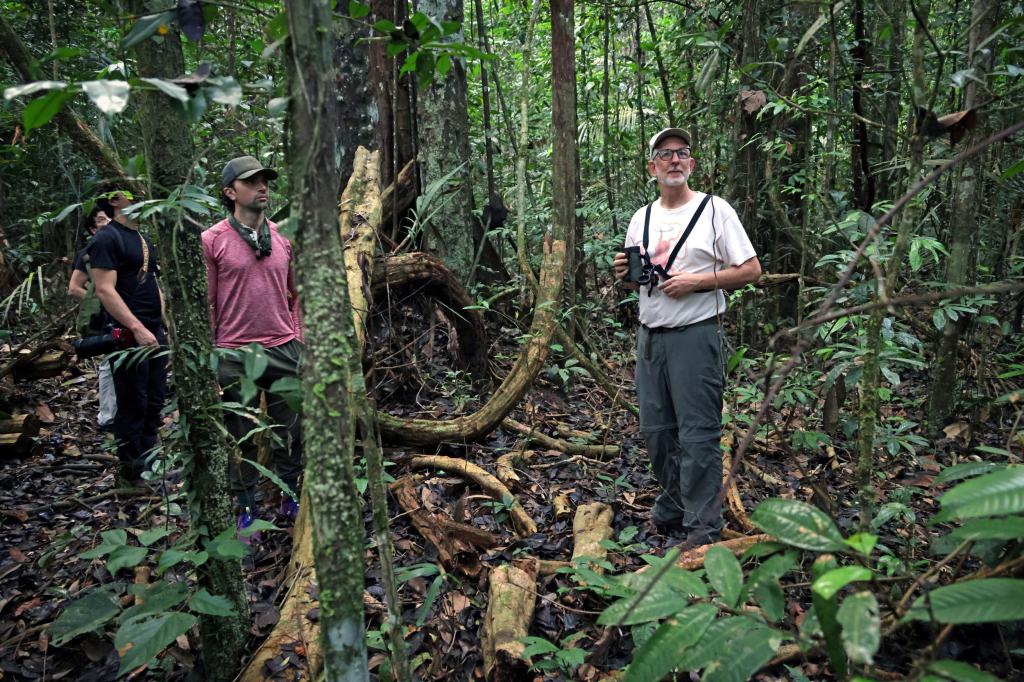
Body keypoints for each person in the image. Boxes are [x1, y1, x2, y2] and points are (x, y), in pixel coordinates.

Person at [613, 128, 762, 546]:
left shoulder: (716, 211)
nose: (674, 160)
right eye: (665, 154)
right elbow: (637, 283)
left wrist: (698, 282)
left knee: (697, 433)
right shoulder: (640, 218)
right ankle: (673, 504)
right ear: (652, 167)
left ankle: (703, 527)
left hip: (696, 336)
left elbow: (751, 270)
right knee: (656, 429)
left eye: (682, 154)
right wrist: (625, 275)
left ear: (692, 164)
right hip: (650, 336)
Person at [202, 156, 303, 534]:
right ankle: (246, 507)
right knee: (238, 436)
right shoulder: (213, 240)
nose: (263, 187)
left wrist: (299, 339)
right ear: (230, 193)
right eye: (251, 181)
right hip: (234, 352)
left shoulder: (281, 237)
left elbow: (296, 294)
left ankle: (289, 496)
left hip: (283, 349)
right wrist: (212, 356)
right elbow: (208, 303)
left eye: (265, 180)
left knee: (290, 431)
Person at [88, 189, 168, 484]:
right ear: (113, 200)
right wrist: (136, 328)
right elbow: (105, 289)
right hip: (128, 334)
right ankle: (131, 474)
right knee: (132, 402)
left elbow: (152, 283)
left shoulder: (143, 240)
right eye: (130, 192)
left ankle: (149, 464)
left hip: (153, 331)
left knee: (154, 400)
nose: (140, 196)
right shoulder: (107, 237)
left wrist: (162, 324)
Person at [69, 205, 116, 430]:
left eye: (108, 218)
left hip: (128, 313)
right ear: (92, 229)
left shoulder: (121, 247)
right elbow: (74, 287)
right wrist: (100, 299)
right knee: (109, 363)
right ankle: (107, 416)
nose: (106, 222)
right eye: (100, 220)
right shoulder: (88, 254)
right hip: (105, 317)